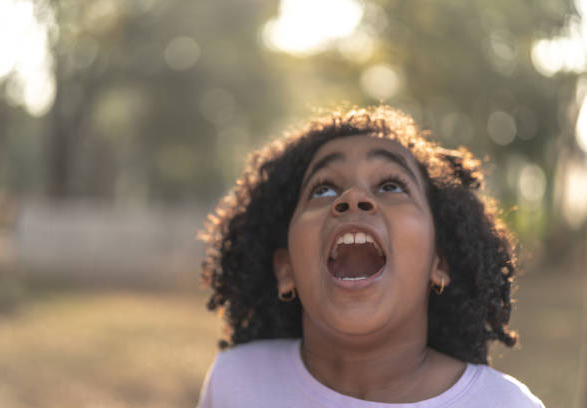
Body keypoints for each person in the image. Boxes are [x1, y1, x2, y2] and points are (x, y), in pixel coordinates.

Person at [197, 105, 545, 407]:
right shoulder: (234, 382)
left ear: (439, 263)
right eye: (324, 189)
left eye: (391, 186)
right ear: (285, 269)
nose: (352, 197)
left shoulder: (505, 404)